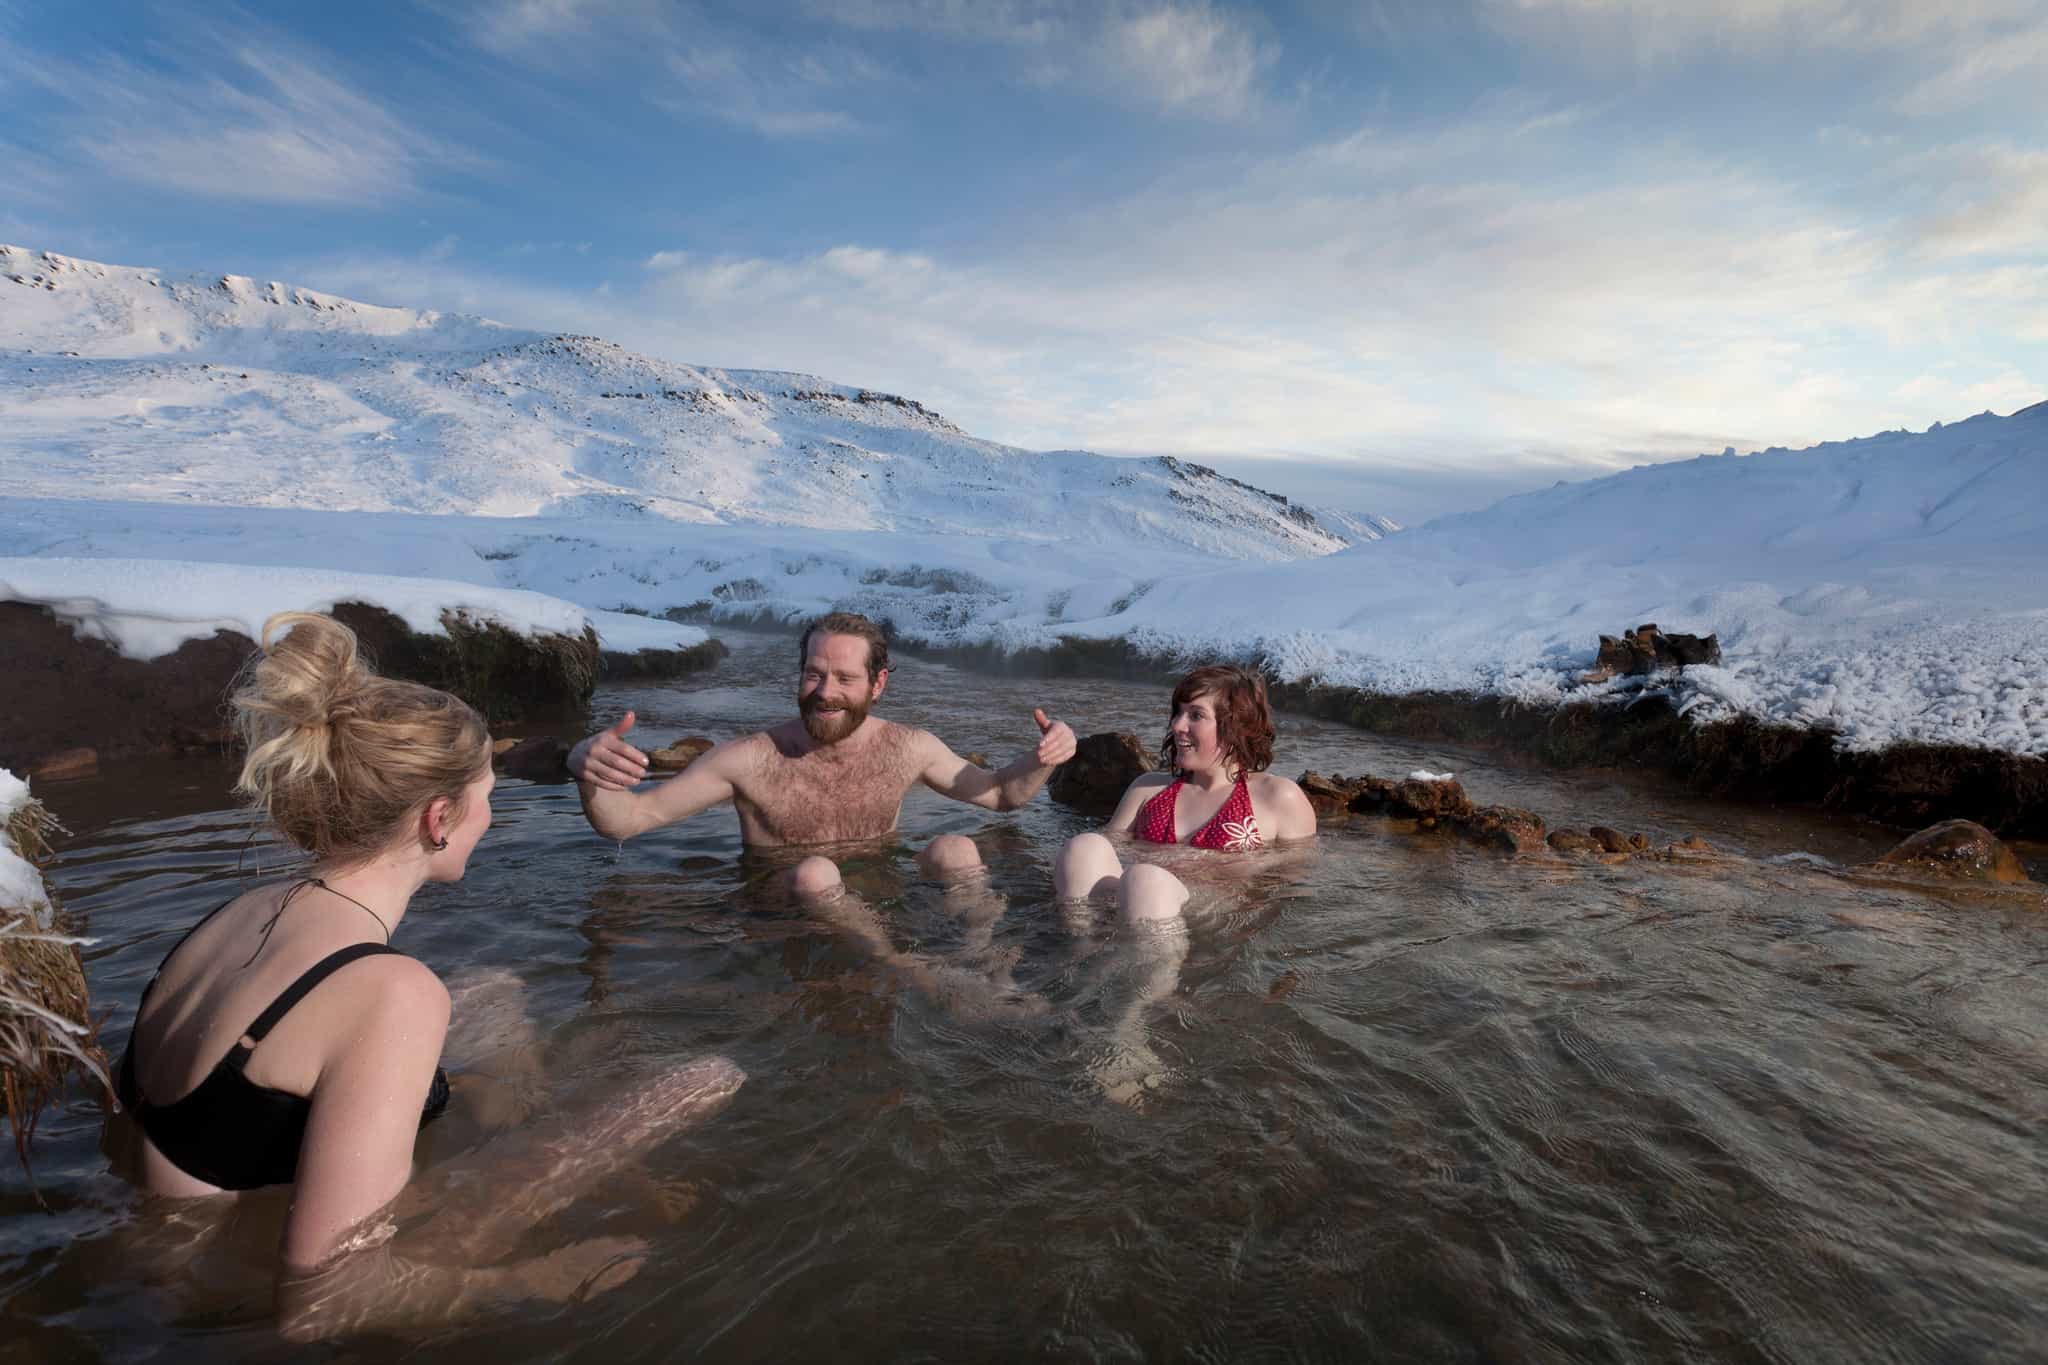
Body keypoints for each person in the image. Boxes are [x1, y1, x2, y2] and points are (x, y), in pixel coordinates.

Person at [112, 612, 744, 1338]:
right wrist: (538, 1279)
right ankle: (531, 1109)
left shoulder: (245, 910)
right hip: (218, 1294)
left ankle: (519, 1097)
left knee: (490, 990)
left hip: (154, 1245)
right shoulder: (394, 993)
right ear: (439, 817)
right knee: (701, 1080)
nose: (491, 819)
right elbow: (323, 1304)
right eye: (489, 800)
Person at [568, 611, 1077, 900]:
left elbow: (1003, 795)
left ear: (877, 685)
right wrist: (586, 769)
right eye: (814, 674)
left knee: (957, 850)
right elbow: (629, 820)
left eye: (845, 679)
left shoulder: (908, 747)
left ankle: (985, 965)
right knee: (817, 873)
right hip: (782, 913)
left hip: (880, 895)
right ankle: (914, 973)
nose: (824, 691)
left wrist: (1049, 754)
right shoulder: (747, 759)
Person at [1053, 663, 1317, 921]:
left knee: (1147, 880)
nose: (1178, 726)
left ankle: (1154, 963)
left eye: (1196, 715)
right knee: (1084, 846)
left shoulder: (1278, 796)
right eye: (1178, 713)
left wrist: (1191, 861)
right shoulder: (1148, 788)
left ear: (1236, 725)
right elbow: (1109, 853)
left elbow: (1292, 889)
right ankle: (1079, 949)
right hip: (1133, 906)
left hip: (1212, 919)